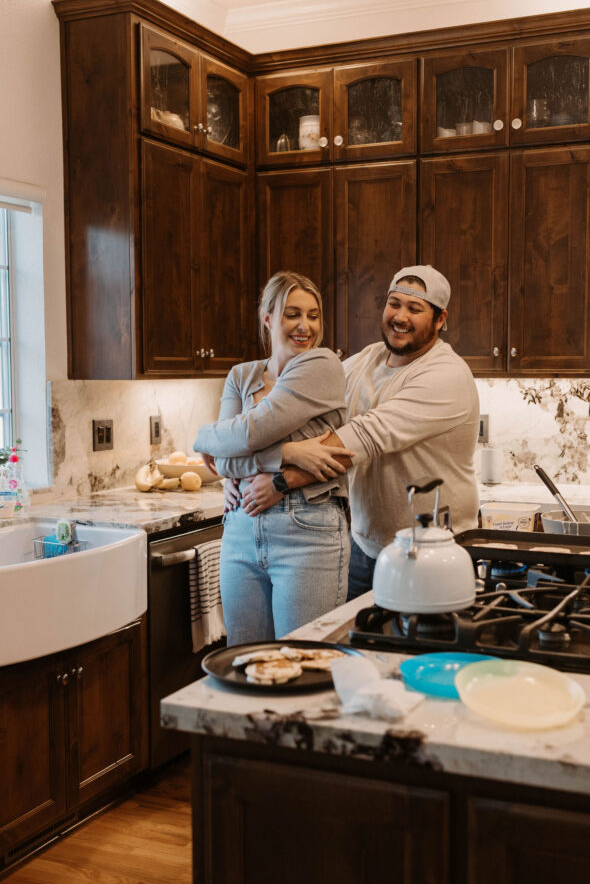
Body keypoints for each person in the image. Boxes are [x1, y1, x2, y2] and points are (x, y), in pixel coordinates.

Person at [229, 265, 480, 600]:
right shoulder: (366, 360)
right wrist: (231, 464)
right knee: (355, 649)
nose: (400, 317)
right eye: (394, 303)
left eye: (414, 309)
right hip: (363, 544)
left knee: (412, 650)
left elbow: (364, 437)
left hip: (432, 551)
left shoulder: (446, 374)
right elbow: (286, 413)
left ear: (439, 319)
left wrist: (280, 481)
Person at [193, 271, 352, 643]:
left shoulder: (323, 366)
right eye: (292, 313)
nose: (305, 326)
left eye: (313, 315)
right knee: (245, 664)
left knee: (302, 663)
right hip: (240, 529)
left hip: (308, 530)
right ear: (268, 318)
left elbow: (246, 436)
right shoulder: (241, 376)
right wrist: (289, 452)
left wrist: (204, 438)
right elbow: (223, 460)